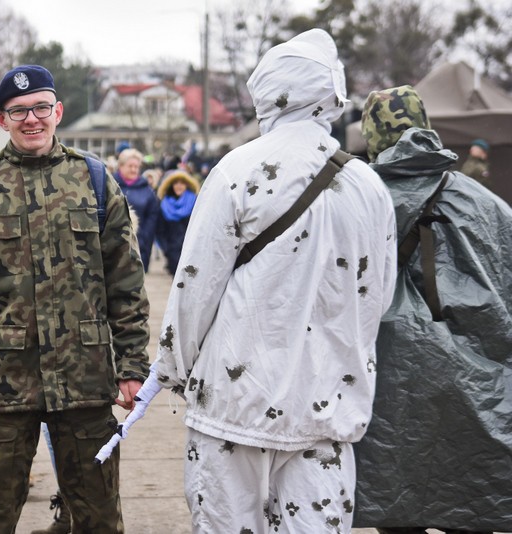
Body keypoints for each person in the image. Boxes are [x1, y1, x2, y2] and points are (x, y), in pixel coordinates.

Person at [150, 29, 397, 533]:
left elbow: (195, 284)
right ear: (332, 93)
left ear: (268, 92)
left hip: (234, 406)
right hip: (325, 411)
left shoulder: (237, 171)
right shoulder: (369, 185)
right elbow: (376, 296)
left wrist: (173, 368)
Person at [0, 64, 150, 533]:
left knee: (98, 519)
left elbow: (126, 281)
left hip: (86, 381)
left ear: (58, 112)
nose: (32, 119)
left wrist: (133, 366)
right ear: (2, 118)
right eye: (19, 111)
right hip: (1, 386)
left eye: (41, 108)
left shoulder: (93, 179)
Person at [354, 86, 512, 533]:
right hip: (480, 392)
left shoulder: (360, 200)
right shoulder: (487, 204)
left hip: (390, 390)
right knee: (471, 503)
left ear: (372, 136)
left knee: (398, 510)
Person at [113, 148, 159, 272]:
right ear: (121, 166)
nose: (134, 169)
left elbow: (152, 216)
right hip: (113, 244)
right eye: (130, 166)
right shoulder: (110, 185)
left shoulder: (147, 190)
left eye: (136, 166)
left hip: (139, 244)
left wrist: (144, 237)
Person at [155, 170, 199, 276]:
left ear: (187, 185)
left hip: (191, 250)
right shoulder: (164, 204)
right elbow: (160, 229)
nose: (179, 186)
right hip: (172, 251)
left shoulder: (195, 202)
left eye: (182, 183)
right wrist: (166, 249)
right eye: (176, 183)